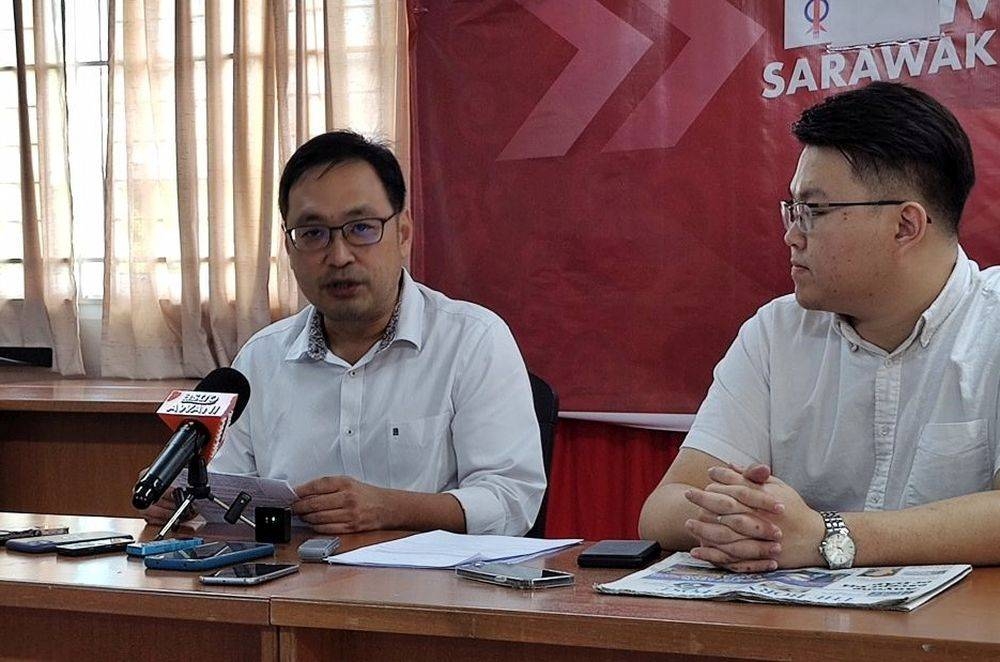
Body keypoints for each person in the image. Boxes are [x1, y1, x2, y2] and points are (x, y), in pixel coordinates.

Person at [638, 82, 1000, 572]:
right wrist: (756, 523)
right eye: (793, 209)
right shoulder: (777, 332)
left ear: (905, 226)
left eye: (814, 211)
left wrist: (827, 536)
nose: (792, 234)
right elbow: (664, 509)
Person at [143, 130, 545, 536]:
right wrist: (184, 497)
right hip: (290, 587)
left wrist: (388, 508)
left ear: (403, 233)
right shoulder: (260, 359)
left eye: (362, 228)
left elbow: (511, 499)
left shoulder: (473, 341)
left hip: (433, 591)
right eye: (313, 234)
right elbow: (227, 492)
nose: (338, 256)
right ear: (290, 249)